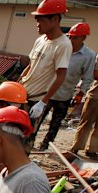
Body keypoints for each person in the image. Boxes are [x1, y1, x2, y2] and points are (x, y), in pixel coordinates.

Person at [19, 0, 71, 147]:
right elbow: (30, 65)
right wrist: (18, 84)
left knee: (25, 140)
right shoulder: (40, 40)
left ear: (54, 19)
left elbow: (60, 76)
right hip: (23, 96)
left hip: (36, 100)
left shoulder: (63, 45)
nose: (37, 24)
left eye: (41, 20)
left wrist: (43, 102)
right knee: (11, 134)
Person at [37, 23, 96, 151]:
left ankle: (45, 145)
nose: (71, 40)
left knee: (55, 123)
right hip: (47, 92)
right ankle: (29, 142)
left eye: (75, 38)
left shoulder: (88, 56)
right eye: (70, 37)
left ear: (83, 38)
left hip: (65, 95)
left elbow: (88, 77)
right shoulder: (62, 48)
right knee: (37, 119)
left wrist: (80, 94)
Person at [71, 53, 98, 158]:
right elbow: (95, 74)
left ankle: (92, 150)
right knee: (86, 123)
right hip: (95, 96)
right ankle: (76, 148)